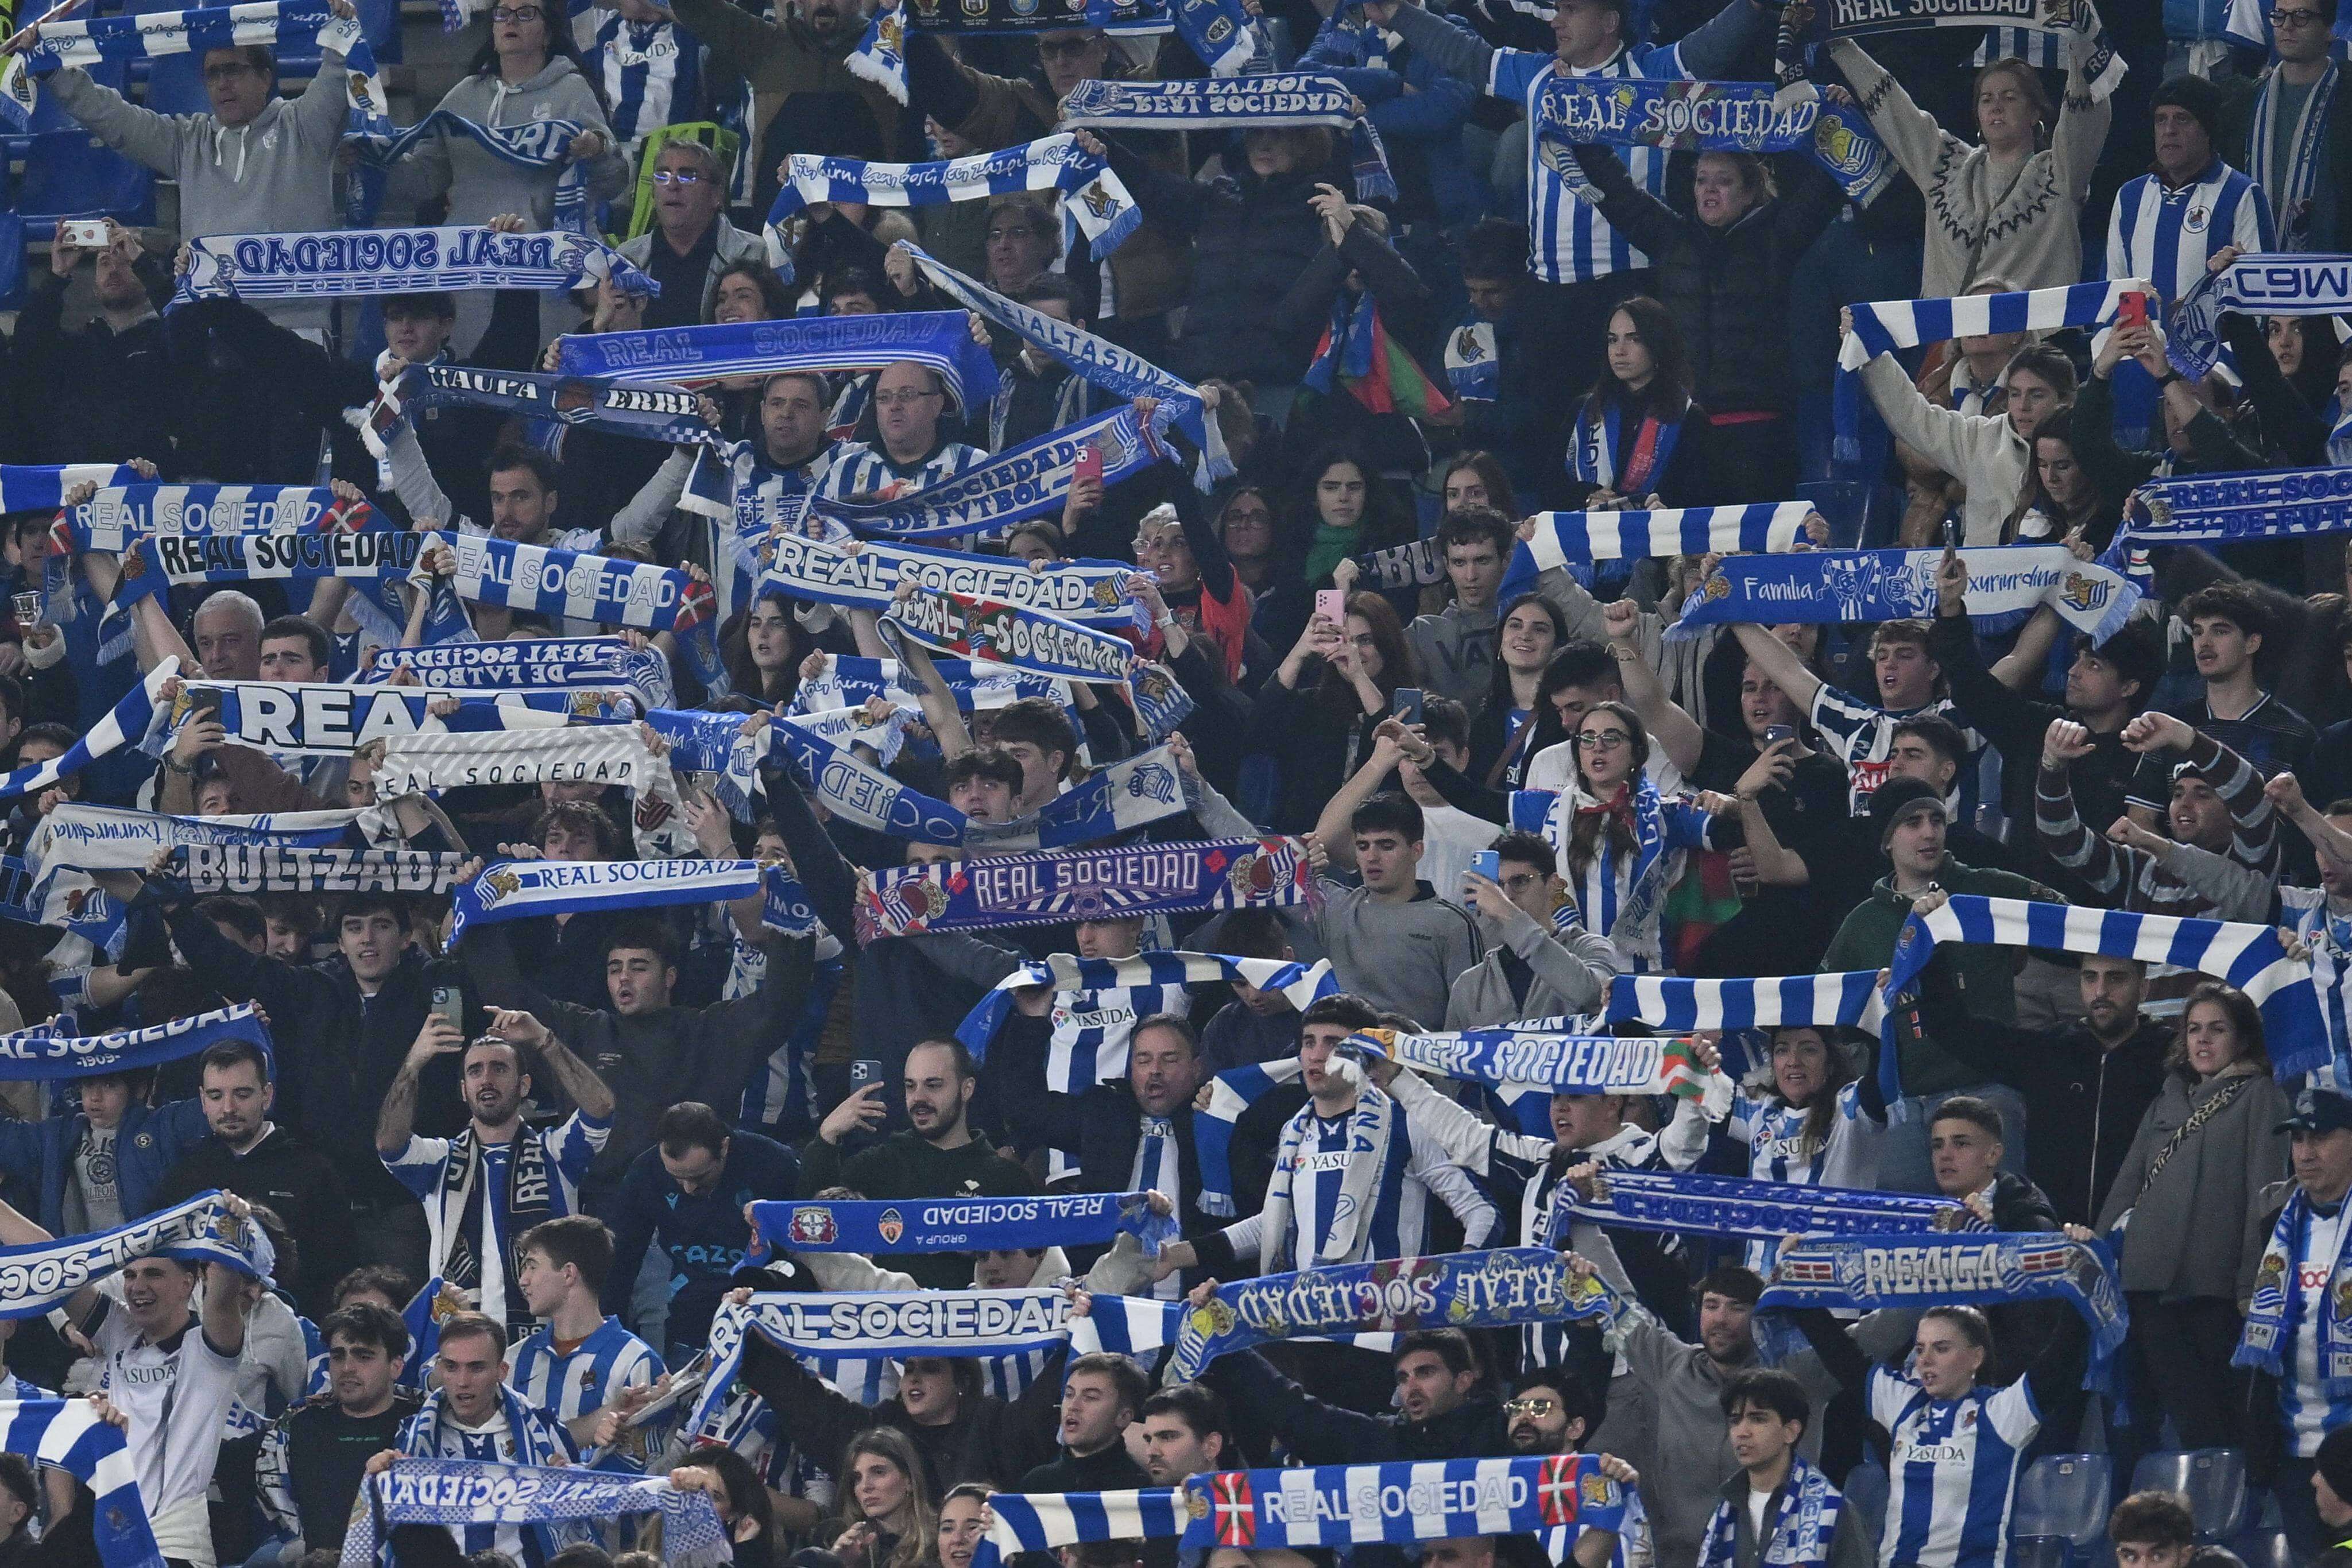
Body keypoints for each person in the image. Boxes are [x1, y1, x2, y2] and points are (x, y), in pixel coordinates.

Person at [30, 0, 364, 339]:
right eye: (212, 74)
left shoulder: (304, 126)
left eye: (233, 70)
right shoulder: (188, 140)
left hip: (296, 330)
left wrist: (342, 23)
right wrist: (53, 72)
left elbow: (337, 74)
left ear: (265, 77)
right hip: (208, 335)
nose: (222, 83)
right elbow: (112, 116)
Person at [1564, 142, 1843, 504]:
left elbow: (1828, 187)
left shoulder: (1779, 237)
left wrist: (1844, 119)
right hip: (1682, 431)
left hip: (1759, 434)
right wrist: (1583, 138)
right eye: (1701, 180)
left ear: (1750, 193)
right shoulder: (1672, 239)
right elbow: (1619, 196)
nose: (1709, 189)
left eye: (1723, 181)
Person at [0, 1189, 259, 1568]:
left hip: (173, 1545)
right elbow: (55, 1264)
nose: (138, 1286)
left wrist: (228, 1225)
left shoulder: (209, 1348)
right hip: (111, 1535)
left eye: (154, 1273)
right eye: (131, 1274)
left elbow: (223, 1290)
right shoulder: (120, 1330)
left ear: (189, 1284)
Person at [1820, 782, 2059, 1188]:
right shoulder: (1862, 923)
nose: (1930, 832)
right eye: (1912, 822)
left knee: (1997, 1223)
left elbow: (2075, 926)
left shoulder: (1988, 888)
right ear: (1887, 840)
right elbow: (1832, 1014)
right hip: (1905, 1104)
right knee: (1906, 1237)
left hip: (1989, 1091)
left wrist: (2016, 938)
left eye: (1936, 819)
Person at [1152, 994, 1495, 1276]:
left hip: (1385, 1330)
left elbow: (1481, 1211)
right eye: (1309, 1042)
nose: (1317, 1054)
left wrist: (1456, 1276)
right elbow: (1277, 1221)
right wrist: (1177, 1256)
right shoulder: (1294, 1131)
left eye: (1333, 1043)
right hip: (1306, 1323)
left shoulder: (1408, 1125)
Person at [1794, 1300, 2088, 1568]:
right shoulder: (1902, 1403)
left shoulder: (2002, 1412)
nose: (1925, 1360)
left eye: (1941, 1348)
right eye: (1920, 1348)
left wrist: (2081, 1266)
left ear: (1976, 1358)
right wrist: (1799, 1286)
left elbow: (2063, 1355)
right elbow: (1837, 1351)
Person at [376, 1014, 617, 1337]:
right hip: (462, 1340)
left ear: (524, 1085)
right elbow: (389, 1144)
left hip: (548, 1339)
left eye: (499, 1068)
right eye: (475, 1071)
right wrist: (414, 1064)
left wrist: (544, 1040)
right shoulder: (440, 1161)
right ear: (464, 1090)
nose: (486, 1079)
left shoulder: (556, 1153)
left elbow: (601, 1108)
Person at [1825, 41, 2113, 296]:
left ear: (2035, 112)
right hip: (1952, 350)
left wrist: (2080, 40)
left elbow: (2085, 113)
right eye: (1986, 99)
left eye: (2010, 97)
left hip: (2034, 350)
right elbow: (1893, 106)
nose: (1996, 106)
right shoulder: (1947, 166)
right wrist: (1841, 45)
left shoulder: (2060, 172)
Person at [1910, 950, 2169, 1226]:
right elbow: (1952, 1028)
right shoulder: (2049, 1051)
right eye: (2090, 978)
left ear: (2143, 988)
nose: (2101, 991)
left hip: (2142, 1231)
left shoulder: (2170, 1056)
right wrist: (1927, 951)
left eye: (2116, 979)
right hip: (2050, 1237)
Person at [799, 1039, 1039, 1291]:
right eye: (910, 1086)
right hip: (886, 1323)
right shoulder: (877, 1165)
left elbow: (1036, 1267)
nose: (919, 1099)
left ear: (967, 1089)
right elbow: (810, 1231)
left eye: (933, 1085)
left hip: (975, 1324)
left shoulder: (1006, 1178)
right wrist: (827, 1137)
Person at [151, 1038, 350, 1316]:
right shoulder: (185, 1174)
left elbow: (336, 1272)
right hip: (198, 1334)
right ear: (202, 1100)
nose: (229, 1108)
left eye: (242, 1094)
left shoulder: (313, 1171)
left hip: (292, 1328)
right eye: (216, 1096)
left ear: (267, 1095)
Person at [2239, 1086, 2352, 1553]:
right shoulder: (2276, 1222)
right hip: (2292, 1450)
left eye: (2320, 1137)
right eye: (2298, 1139)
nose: (2306, 1152)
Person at [602, 1102, 798, 1364]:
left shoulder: (774, 1164)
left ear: (725, 1148)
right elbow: (621, 1260)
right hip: (691, 1322)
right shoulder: (645, 1171)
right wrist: (610, 1339)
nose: (688, 1189)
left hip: (771, 1318)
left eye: (699, 1177)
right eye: (676, 1177)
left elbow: (807, 1251)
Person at [388, 1312, 578, 1563]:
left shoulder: (546, 1435)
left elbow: (581, 1527)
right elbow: (392, 1529)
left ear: (502, 1371)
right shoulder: (413, 1439)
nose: (462, 1382)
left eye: (476, 1368)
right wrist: (378, 1480)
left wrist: (569, 1489)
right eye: (452, 1367)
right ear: (440, 1369)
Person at [257, 1303, 425, 1563]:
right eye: (338, 1356)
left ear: (396, 1366)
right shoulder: (298, 1424)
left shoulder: (424, 1425)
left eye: (363, 1356)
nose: (347, 1368)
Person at [1303, 791, 1484, 1028]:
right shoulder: (1336, 907)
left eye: (1386, 846)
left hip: (1417, 1060)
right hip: (1342, 1056)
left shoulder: (1452, 924)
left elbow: (1472, 1021)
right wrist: (1297, 858)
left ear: (1416, 851)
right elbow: (1250, 874)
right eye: (1363, 846)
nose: (1372, 857)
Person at [507, 1216, 665, 1460]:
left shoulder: (636, 1362)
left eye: (532, 1266)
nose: (523, 1280)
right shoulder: (515, 1359)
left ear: (569, 1274)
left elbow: (644, 1468)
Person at [1445, 830, 1626, 1029]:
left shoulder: (1593, 947)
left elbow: (1594, 998)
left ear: (1552, 884)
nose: (1506, 896)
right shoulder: (1469, 984)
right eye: (1498, 886)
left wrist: (1510, 915)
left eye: (1520, 881)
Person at [1702, 1368, 1874, 1568]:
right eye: (1735, 1421)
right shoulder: (1724, 1511)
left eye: (1758, 1419)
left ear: (1790, 1432)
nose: (1742, 1432)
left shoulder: (1834, 1510)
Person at [2224, 0, 2349, 253]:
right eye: (2279, 16)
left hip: (2338, 266)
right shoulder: (2242, 102)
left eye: (2301, 16)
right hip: (2256, 266)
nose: (2287, 26)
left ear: (2330, 28)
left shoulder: (2347, 97)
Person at [617, 140, 764, 329]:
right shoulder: (625, 259)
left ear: (717, 195)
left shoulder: (754, 253)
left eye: (687, 176)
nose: (672, 185)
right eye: (662, 176)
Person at [1407, 510, 1515, 710]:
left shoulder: (1528, 628)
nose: (1470, 576)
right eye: (1459, 563)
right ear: (1447, 565)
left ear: (1506, 561)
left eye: (1482, 561)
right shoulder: (1422, 634)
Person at [834, 1427, 938, 1568]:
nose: (865, 1486)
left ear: (909, 1480)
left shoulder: (941, 1541)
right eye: (857, 1478)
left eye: (878, 1472)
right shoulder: (847, 1548)